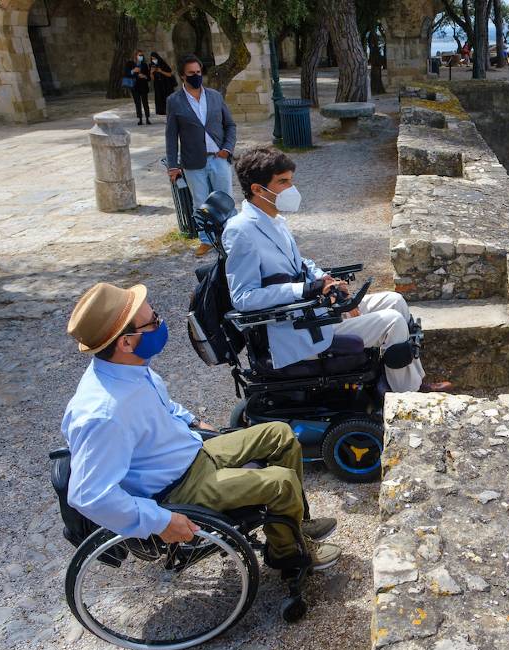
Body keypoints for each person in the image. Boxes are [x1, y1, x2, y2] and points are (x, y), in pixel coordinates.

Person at [62, 282, 341, 572]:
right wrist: (161, 520)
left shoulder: (128, 369)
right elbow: (89, 495)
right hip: (179, 486)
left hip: (191, 452)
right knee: (280, 481)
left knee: (280, 434)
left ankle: (294, 525)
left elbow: (164, 406)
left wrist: (192, 421)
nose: (160, 322)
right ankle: (287, 554)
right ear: (126, 342)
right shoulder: (103, 414)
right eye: (153, 321)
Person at [221, 146, 452, 394]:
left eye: (291, 180)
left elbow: (300, 264)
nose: (292, 189)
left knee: (394, 300)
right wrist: (306, 289)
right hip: (292, 328)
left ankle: (412, 381)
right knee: (392, 322)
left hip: (311, 313)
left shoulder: (274, 220)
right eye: (283, 182)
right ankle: (408, 397)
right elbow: (243, 298)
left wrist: (325, 279)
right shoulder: (241, 231)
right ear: (257, 189)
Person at [165, 54, 237, 258]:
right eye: (191, 73)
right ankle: (206, 240)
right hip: (193, 162)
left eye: (198, 72)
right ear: (182, 76)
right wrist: (173, 165)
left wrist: (227, 149)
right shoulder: (174, 101)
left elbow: (230, 125)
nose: (196, 76)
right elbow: (171, 135)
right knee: (200, 203)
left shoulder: (215, 96)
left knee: (226, 200)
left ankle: (232, 237)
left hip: (219, 157)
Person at [127, 50, 151, 125]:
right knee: (137, 103)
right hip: (135, 87)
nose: (141, 57)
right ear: (135, 56)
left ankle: (147, 118)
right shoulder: (130, 64)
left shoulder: (144, 65)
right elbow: (126, 73)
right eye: (139, 55)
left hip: (143, 86)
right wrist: (133, 71)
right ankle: (140, 119)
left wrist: (144, 76)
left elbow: (149, 77)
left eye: (142, 55)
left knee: (145, 103)